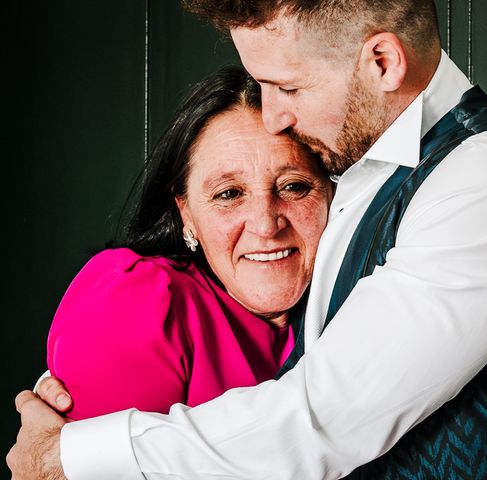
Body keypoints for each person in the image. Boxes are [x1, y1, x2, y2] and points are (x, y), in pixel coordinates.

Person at [6, 1, 487, 479]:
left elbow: (326, 418)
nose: (274, 113)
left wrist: (71, 456)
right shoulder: (357, 181)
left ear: (382, 61)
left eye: (288, 86)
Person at [45, 66, 332, 420]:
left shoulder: (362, 294)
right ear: (186, 213)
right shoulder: (139, 302)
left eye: (293, 186)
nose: (265, 224)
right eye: (229, 194)